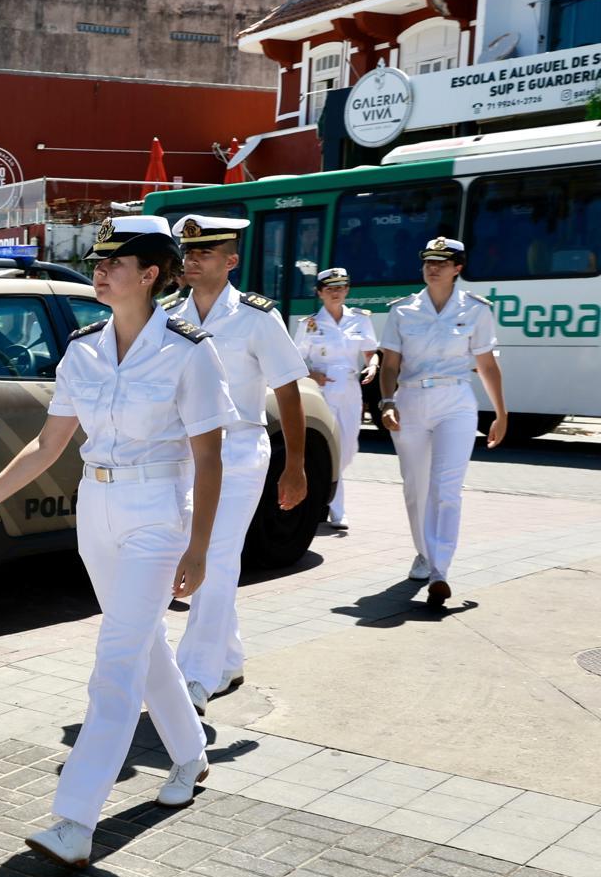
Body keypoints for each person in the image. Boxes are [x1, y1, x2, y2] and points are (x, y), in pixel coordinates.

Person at [0, 216, 233, 867]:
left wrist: (200, 549)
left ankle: (74, 820)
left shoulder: (190, 351)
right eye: (98, 260)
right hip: (96, 507)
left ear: (151, 274)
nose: (99, 270)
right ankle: (190, 756)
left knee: (114, 665)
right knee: (141, 644)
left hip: (158, 511)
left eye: (115, 262)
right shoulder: (83, 349)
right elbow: (49, 445)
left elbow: (210, 458)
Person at [165, 215, 308, 716]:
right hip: (184, 456)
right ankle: (227, 658)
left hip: (240, 452)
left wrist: (296, 467)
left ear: (231, 261)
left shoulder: (256, 317)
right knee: (198, 556)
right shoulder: (167, 315)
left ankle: (196, 677)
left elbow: (288, 390)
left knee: (214, 559)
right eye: (188, 250)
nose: (192, 259)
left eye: (204, 252)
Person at [376, 237, 507, 606]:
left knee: (447, 488)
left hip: (456, 401)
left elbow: (487, 365)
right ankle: (424, 552)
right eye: (428, 262)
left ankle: (440, 570)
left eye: (442, 263)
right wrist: (387, 402)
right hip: (411, 401)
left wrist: (501, 413)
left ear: (458, 269)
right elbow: (389, 364)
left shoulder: (478, 310)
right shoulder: (402, 310)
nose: (433, 268)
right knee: (415, 487)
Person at [294, 268, 376, 530]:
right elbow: (294, 359)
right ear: (320, 293)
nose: (336, 292)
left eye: (340, 287)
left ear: (347, 290)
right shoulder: (309, 324)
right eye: (330, 288)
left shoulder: (360, 320)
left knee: (349, 448)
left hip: (351, 389)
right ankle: (336, 509)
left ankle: (323, 495)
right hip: (323, 391)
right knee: (330, 448)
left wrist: (372, 365)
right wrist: (311, 373)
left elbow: (370, 352)